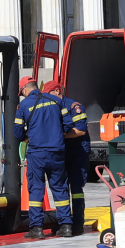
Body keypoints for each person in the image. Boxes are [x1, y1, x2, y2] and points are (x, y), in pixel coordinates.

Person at [14, 76, 74, 239]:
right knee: (60, 187)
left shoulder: (24, 105)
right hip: (57, 151)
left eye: (22, 92)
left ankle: (37, 228)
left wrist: (29, 134)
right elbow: (68, 125)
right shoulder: (56, 100)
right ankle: (66, 226)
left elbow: (18, 133)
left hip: (37, 153)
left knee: (36, 189)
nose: (23, 95)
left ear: (25, 89)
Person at [44, 80, 90, 236]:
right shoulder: (53, 107)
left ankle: (78, 223)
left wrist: (58, 134)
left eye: (48, 93)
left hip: (78, 151)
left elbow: (81, 131)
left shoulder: (74, 107)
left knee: (76, 187)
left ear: (57, 91)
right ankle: (66, 222)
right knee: (61, 187)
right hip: (62, 151)